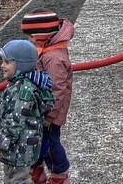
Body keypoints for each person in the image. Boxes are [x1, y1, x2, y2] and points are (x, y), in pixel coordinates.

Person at [21, 10, 74, 184]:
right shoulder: (46, 51)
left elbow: (57, 90)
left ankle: (59, 175)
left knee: (51, 144)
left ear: (42, 36)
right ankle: (37, 170)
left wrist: (50, 116)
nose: (30, 41)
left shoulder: (53, 58)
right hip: (42, 110)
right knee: (37, 140)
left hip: (49, 114)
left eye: (31, 37)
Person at [0, 40, 55, 184]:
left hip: (18, 147)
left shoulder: (21, 90)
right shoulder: (21, 85)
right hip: (19, 146)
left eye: (7, 62)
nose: (2, 65)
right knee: (10, 175)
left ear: (20, 65)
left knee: (19, 179)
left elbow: (15, 121)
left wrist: (2, 145)